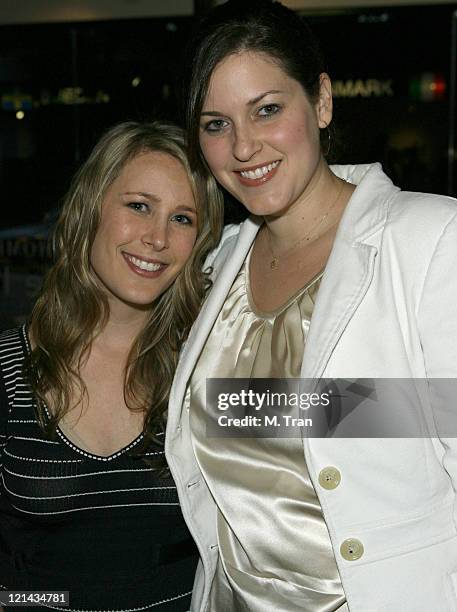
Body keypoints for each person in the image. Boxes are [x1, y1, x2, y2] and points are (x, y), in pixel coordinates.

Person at [165, 1, 457, 611]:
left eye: (267, 110)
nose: (244, 147)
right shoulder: (216, 266)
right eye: (216, 124)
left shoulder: (430, 242)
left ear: (321, 102)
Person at [0, 120, 223, 611]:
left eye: (183, 219)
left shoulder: (206, 368)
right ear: (90, 209)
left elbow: (345, 418)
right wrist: (38, 601)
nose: (157, 238)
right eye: (139, 206)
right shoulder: (8, 370)